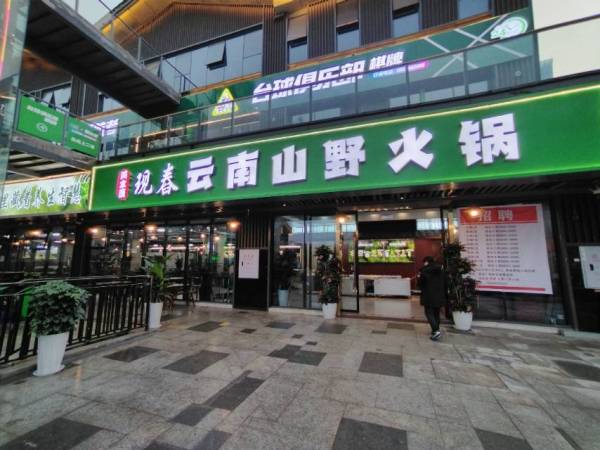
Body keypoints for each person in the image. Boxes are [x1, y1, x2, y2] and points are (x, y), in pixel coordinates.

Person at [418, 256, 445, 341]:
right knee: (436, 313)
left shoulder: (424, 270)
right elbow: (445, 282)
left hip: (428, 295)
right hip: (439, 294)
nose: (424, 264)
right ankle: (435, 330)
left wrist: (419, 277)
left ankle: (436, 331)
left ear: (426, 262)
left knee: (429, 313)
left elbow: (420, 283)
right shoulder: (441, 269)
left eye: (424, 262)